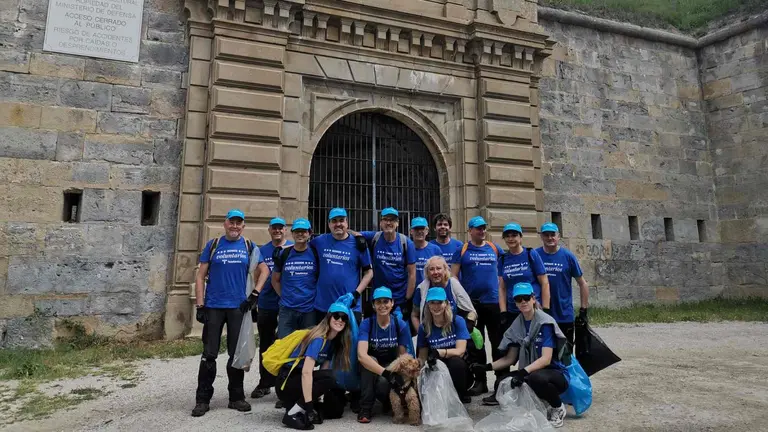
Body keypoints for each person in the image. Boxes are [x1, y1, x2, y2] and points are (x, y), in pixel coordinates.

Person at [192, 209, 269, 417]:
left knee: (236, 354)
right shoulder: (213, 245)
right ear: (224, 224)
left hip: (238, 308)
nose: (234, 226)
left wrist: (255, 295)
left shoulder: (249, 246)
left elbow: (265, 271)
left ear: (243, 226)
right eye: (231, 222)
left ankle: (236, 397)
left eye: (238, 223)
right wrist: (200, 305)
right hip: (214, 306)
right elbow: (200, 276)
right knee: (209, 354)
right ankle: (202, 399)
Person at [471, 282, 570, 428]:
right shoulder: (518, 325)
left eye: (526, 298)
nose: (523, 302)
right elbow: (510, 358)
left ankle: (557, 407)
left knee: (536, 378)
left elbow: (546, 359)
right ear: (515, 303)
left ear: (533, 299)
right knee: (502, 382)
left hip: (555, 373)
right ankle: (536, 405)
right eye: (518, 299)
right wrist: (486, 367)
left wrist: (523, 373)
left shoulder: (545, 322)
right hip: (531, 371)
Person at [276, 303, 354, 430]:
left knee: (333, 393)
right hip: (287, 381)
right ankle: (292, 415)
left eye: (344, 318)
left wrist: (317, 399)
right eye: (336, 316)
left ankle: (297, 407)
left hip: (297, 382)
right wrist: (309, 406)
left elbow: (323, 374)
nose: (340, 320)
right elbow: (306, 373)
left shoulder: (332, 342)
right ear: (328, 317)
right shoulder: (318, 339)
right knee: (331, 377)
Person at [450, 215, 504, 397]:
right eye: (478, 228)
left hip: (494, 303)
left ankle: (500, 380)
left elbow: (505, 268)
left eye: (484, 228)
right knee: (476, 345)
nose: (482, 231)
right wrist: (462, 297)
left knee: (498, 343)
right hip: (472, 306)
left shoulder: (494, 248)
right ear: (470, 231)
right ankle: (480, 381)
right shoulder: (463, 250)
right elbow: (453, 276)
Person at [251, 217, 294, 401]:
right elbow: (256, 273)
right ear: (269, 230)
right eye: (274, 228)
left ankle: (286, 385)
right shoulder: (262, 250)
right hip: (267, 303)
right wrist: (255, 298)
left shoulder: (293, 247)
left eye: (280, 228)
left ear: (285, 230)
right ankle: (265, 382)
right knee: (266, 344)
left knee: (287, 344)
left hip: (289, 304)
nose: (277, 231)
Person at [356, 287, 413, 423]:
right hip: (371, 369)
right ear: (373, 305)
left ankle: (388, 402)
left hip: (390, 366)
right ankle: (365, 408)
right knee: (370, 360)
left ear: (392, 303)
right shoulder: (367, 324)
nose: (382, 305)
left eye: (386, 301)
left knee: (384, 384)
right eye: (378, 302)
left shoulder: (400, 324)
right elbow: (361, 356)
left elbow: (402, 357)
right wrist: (386, 373)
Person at [310, 207, 374, 324]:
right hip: (323, 306)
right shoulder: (319, 241)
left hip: (350, 306)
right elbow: (300, 247)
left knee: (349, 342)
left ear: (347, 222)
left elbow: (369, 272)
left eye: (341, 220)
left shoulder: (359, 244)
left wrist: (356, 294)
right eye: (334, 221)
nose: (338, 224)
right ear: (329, 224)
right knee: (322, 342)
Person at [536, 223, 590, 347]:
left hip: (564, 315)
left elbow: (582, 283)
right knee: (542, 354)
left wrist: (583, 310)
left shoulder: (568, 256)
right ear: (541, 237)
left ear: (558, 236)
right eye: (546, 235)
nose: (550, 238)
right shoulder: (535, 255)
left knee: (566, 355)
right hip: (541, 314)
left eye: (552, 235)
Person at [357, 208, 416, 320]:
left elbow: (412, 273)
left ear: (397, 223)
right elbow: (351, 234)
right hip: (378, 298)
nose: (388, 223)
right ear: (380, 223)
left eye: (392, 220)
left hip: (398, 299)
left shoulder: (406, 242)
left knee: (399, 331)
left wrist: (407, 299)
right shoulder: (375, 237)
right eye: (385, 220)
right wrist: (359, 239)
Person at [417, 287, 472, 403]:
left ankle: (459, 399)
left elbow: (461, 350)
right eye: (432, 303)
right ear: (428, 305)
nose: (436, 306)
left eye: (440, 302)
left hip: (458, 367)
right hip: (435, 365)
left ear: (446, 303)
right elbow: (422, 356)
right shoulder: (423, 327)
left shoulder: (457, 321)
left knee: (456, 363)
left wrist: (441, 352)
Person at [273, 218, 318, 339]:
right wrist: (284, 295)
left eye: (303, 231)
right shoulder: (284, 254)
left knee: (306, 346)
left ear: (309, 233)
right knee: (284, 346)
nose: (300, 234)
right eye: (297, 231)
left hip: (309, 310)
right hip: (287, 310)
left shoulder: (315, 253)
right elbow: (275, 279)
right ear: (292, 233)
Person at [411, 255, 476, 333]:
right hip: (431, 335)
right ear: (427, 273)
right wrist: (421, 335)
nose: (435, 272)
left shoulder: (454, 285)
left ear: (445, 270)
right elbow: (414, 315)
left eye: (439, 268)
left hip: (454, 333)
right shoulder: (421, 288)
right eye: (431, 269)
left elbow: (471, 312)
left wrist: (466, 329)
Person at [410, 217, 442, 288]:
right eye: (416, 229)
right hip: (410, 291)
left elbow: (442, 272)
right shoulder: (406, 248)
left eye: (422, 229)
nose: (419, 231)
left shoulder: (435, 250)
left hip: (430, 292)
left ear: (427, 231)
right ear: (411, 231)